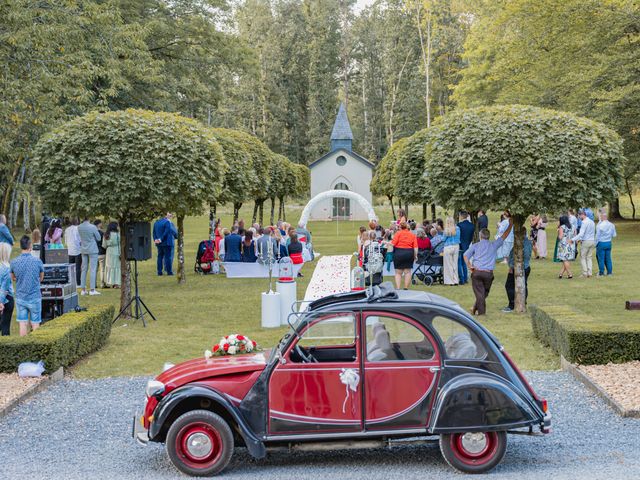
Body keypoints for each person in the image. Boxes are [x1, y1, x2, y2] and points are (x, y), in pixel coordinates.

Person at [463, 218, 513, 316]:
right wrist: (510, 225)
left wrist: (469, 266)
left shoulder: (475, 245)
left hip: (477, 272)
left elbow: (465, 255)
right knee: (483, 293)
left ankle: (478, 312)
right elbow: (504, 235)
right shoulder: (493, 245)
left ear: (480, 236)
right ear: (488, 236)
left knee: (481, 294)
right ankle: (478, 311)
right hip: (488, 274)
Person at [10, 236, 44, 336]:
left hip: (21, 296)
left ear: (21, 246)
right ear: (30, 246)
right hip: (34, 296)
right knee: (35, 323)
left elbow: (13, 277)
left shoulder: (14, 262)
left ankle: (23, 348)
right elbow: (41, 278)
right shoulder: (37, 261)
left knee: (22, 323)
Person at [502, 232, 533, 313]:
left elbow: (522, 255)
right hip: (525, 266)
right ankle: (522, 302)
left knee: (509, 285)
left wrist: (512, 266)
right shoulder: (528, 242)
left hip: (519, 267)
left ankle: (512, 304)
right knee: (523, 285)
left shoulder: (522, 243)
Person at [391, 221, 418, 290]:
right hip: (409, 253)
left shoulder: (398, 233)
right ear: (407, 227)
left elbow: (393, 244)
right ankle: (406, 288)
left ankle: (398, 288)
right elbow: (415, 248)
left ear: (400, 227)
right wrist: (415, 256)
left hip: (398, 252)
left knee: (398, 273)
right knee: (407, 272)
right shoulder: (412, 235)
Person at [78, 217, 101, 295]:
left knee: (84, 269)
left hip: (84, 249)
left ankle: (83, 290)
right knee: (93, 269)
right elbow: (99, 238)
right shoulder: (93, 227)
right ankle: (92, 290)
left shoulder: (79, 226)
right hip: (92, 249)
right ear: (89, 218)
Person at [570, 209, 596, 278]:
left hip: (586, 241)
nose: (579, 218)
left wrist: (573, 239)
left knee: (583, 257)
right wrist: (580, 239)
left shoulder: (584, 222)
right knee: (589, 257)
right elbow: (590, 232)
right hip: (592, 240)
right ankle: (589, 273)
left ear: (582, 215)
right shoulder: (592, 222)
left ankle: (585, 273)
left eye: (579, 216)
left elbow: (581, 234)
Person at [595, 209, 617, 276]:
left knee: (601, 258)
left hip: (601, 243)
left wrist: (595, 244)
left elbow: (597, 236)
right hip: (608, 242)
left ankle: (601, 272)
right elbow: (614, 235)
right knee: (608, 258)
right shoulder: (612, 225)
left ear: (602, 217)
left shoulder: (599, 226)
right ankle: (609, 272)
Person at [0, 242, 15, 336]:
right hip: (6, 299)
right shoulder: (7, 268)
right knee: (5, 327)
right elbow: (4, 288)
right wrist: (1, 302)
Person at [457, 211, 475, 285]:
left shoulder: (459, 225)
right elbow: (471, 237)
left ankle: (462, 279)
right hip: (467, 244)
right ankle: (465, 278)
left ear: (461, 216)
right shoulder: (472, 225)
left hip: (460, 245)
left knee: (460, 262)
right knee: (465, 261)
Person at [442, 217, 460, 285]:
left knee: (448, 264)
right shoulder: (457, 228)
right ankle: (456, 280)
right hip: (456, 246)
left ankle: (450, 281)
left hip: (448, 246)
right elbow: (458, 237)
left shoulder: (446, 230)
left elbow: (443, 239)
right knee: (455, 263)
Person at [102, 222, 121, 288]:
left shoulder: (106, 234)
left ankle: (109, 282)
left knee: (109, 266)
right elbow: (119, 244)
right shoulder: (117, 234)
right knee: (116, 267)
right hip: (116, 250)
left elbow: (104, 245)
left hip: (109, 251)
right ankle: (116, 283)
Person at [64, 218, 82, 285]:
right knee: (78, 268)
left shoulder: (67, 229)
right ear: (77, 222)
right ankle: (78, 283)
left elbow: (65, 242)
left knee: (70, 268)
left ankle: (71, 282)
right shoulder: (78, 229)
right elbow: (80, 240)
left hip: (70, 250)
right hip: (77, 250)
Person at [94, 219, 107, 288]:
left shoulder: (92, 233)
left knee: (94, 270)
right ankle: (102, 284)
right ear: (98, 224)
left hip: (94, 253)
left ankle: (94, 284)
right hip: (102, 252)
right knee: (102, 269)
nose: (102, 225)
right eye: (101, 223)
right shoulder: (102, 233)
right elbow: (104, 243)